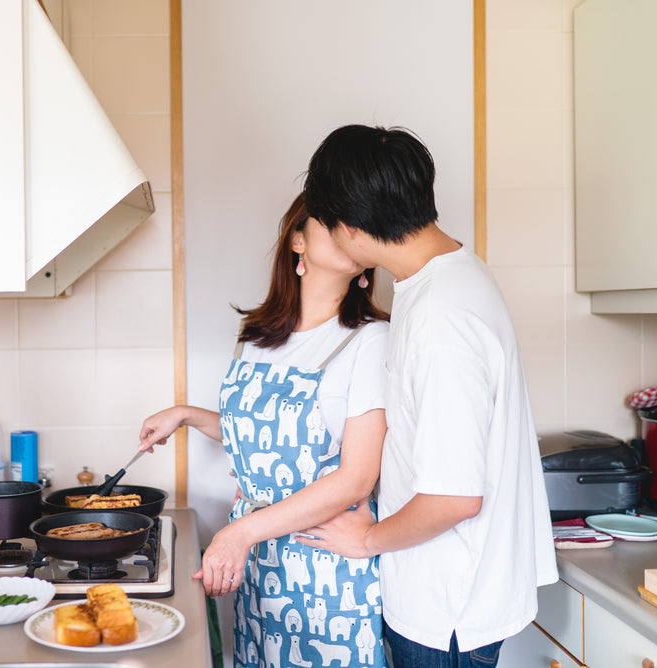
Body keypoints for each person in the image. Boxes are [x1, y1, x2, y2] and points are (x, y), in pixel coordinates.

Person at [298, 124, 558, 668]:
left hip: (446, 612)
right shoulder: (445, 277)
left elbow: (454, 498)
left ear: (348, 227)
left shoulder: (443, 318)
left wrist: (366, 539)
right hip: (446, 597)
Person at [138, 192, 391, 668]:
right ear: (298, 239)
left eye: (361, 225)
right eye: (335, 219)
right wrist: (187, 414)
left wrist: (240, 534)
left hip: (324, 563)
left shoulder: (369, 340)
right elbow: (260, 437)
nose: (349, 230)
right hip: (257, 563)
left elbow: (356, 478)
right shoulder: (257, 336)